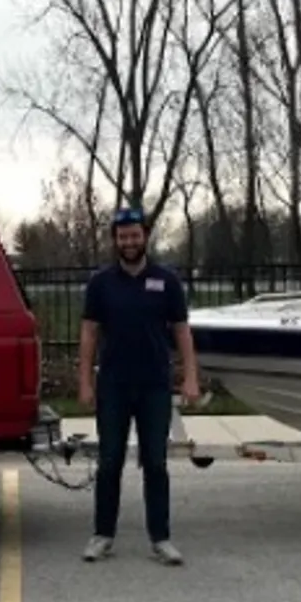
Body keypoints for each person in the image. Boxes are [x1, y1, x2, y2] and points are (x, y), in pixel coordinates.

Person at [77, 206, 200, 565]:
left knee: (156, 464)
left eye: (134, 235)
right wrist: (85, 381)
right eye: (122, 236)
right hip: (113, 385)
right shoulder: (101, 283)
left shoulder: (167, 281)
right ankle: (102, 535)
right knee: (109, 461)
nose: (129, 241)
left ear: (145, 237)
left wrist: (190, 376)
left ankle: (160, 538)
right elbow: (88, 333)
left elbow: (181, 331)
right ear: (115, 240)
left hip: (154, 387)